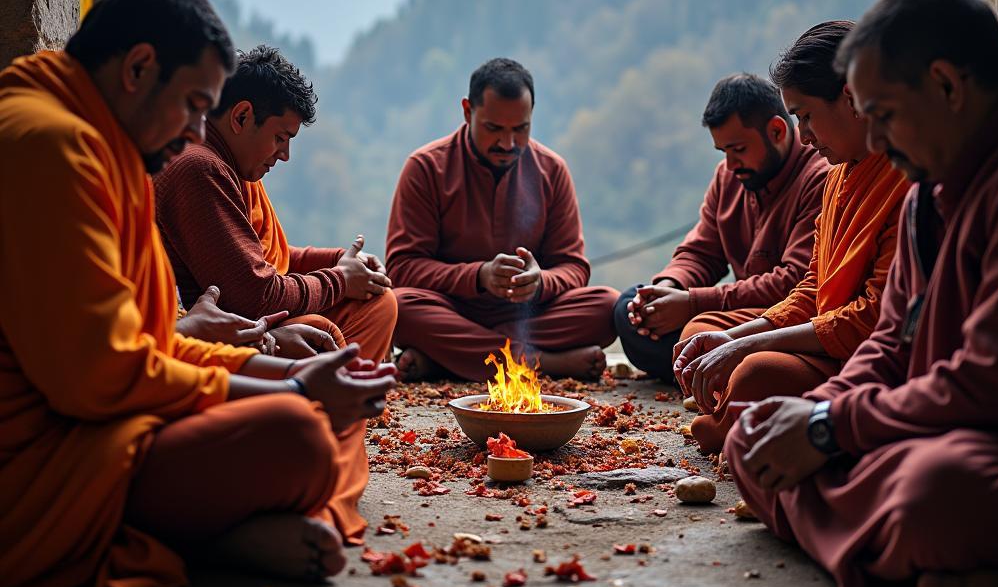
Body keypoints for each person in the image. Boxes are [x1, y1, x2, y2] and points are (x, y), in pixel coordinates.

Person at [0, 0, 395, 587]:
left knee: (309, 399)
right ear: (137, 68)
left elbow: (150, 343)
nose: (192, 135)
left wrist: (272, 369)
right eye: (191, 106)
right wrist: (288, 386)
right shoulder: (49, 148)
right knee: (298, 432)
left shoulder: (105, 145)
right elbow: (102, 375)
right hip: (43, 467)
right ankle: (208, 538)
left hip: (105, 423)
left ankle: (222, 528)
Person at [726, 0, 998, 587]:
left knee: (935, 492)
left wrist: (834, 428)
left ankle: (945, 553)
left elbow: (991, 383)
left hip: (987, 445)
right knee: (753, 438)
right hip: (919, 427)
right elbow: (892, 341)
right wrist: (816, 414)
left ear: (946, 85)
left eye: (883, 116)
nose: (878, 142)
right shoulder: (927, 187)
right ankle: (932, 560)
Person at [155, 44, 396, 543]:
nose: (284, 154)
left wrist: (338, 263)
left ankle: (335, 430)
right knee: (321, 334)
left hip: (247, 314)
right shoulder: (197, 166)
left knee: (379, 301)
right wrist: (337, 281)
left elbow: (268, 260)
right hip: (231, 325)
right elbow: (256, 295)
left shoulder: (230, 165)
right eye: (281, 138)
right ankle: (327, 455)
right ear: (241, 115)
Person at [674, 22, 907, 453]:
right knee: (705, 335)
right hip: (820, 336)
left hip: (861, 357)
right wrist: (737, 337)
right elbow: (813, 287)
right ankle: (737, 411)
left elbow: (873, 319)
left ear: (851, 99)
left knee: (754, 371)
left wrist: (749, 343)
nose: (805, 136)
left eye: (805, 116)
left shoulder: (904, 179)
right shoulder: (839, 178)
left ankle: (738, 415)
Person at [387, 57, 617, 382]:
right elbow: (402, 268)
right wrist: (479, 276)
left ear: (532, 116)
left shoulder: (551, 170)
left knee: (607, 306)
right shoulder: (426, 168)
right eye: (493, 129)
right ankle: (539, 362)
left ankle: (446, 360)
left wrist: (540, 283)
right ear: (468, 112)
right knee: (397, 307)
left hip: (522, 315)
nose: (508, 144)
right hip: (453, 311)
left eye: (520, 129)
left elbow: (574, 267)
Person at [614, 74, 827, 382]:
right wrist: (669, 290)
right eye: (723, 152)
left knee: (699, 332)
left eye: (738, 149)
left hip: (777, 318)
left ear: (777, 131)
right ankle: (706, 371)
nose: (729, 164)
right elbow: (701, 252)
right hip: (732, 310)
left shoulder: (819, 176)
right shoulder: (729, 177)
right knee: (628, 308)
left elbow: (792, 283)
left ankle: (713, 371)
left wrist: (691, 303)